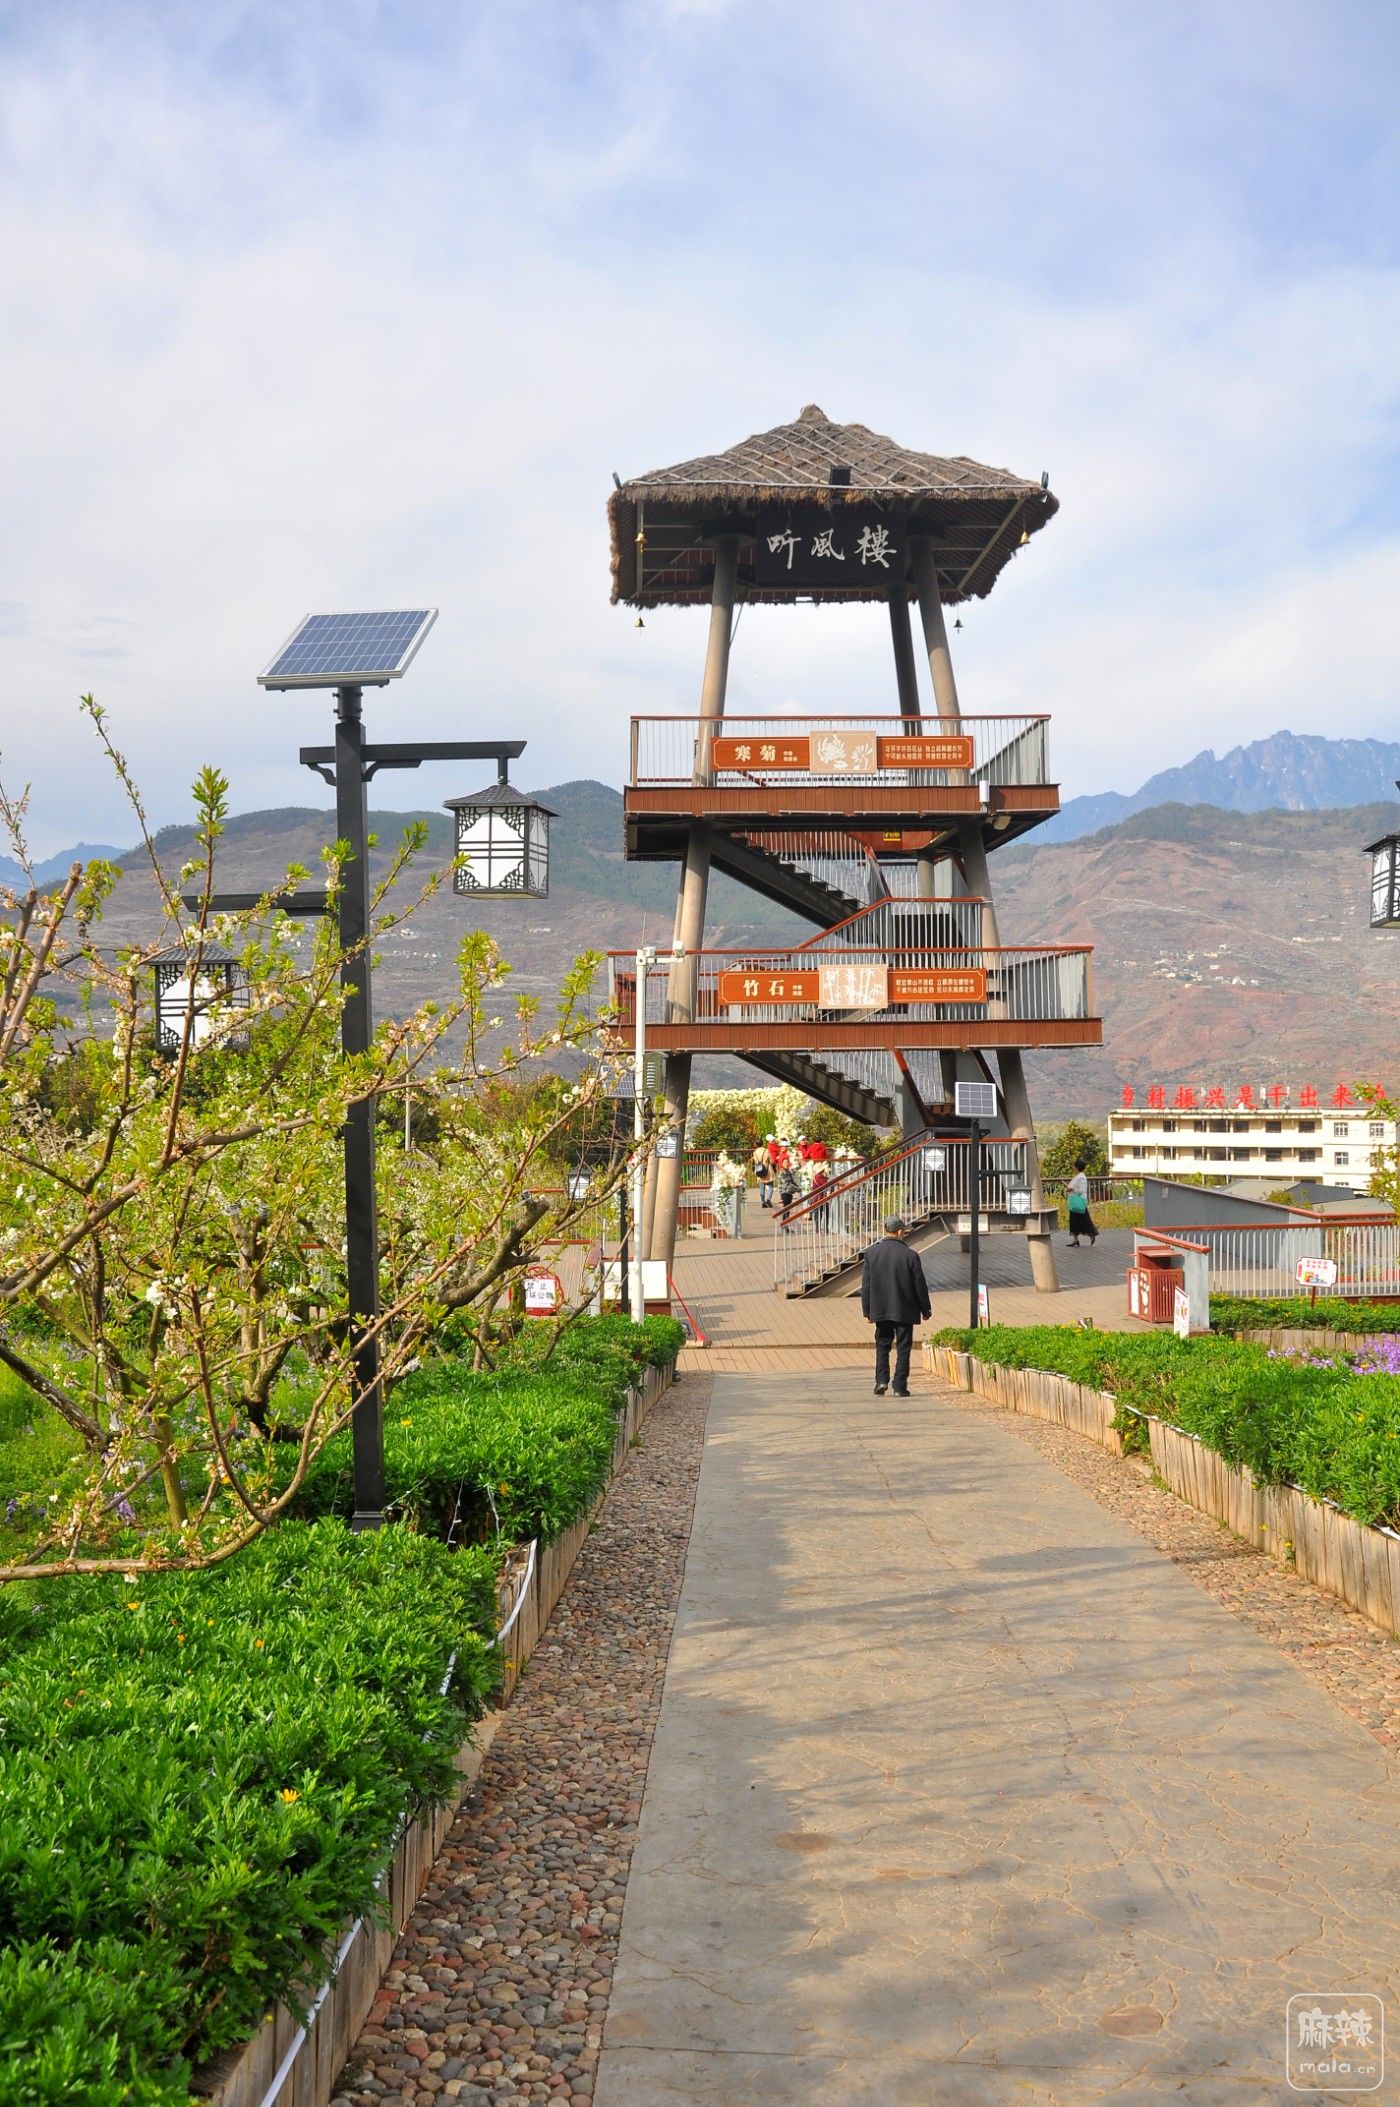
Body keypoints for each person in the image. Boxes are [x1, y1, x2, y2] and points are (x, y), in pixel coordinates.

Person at [860, 1214, 931, 1397]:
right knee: (903, 1348)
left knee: (882, 1345)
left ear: (886, 1230)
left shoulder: (872, 1253)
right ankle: (900, 1386)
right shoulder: (910, 1255)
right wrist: (925, 1309)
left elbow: (866, 1285)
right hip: (905, 1309)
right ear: (900, 1232)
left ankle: (881, 1381)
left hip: (881, 1309)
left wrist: (867, 1310)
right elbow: (919, 1285)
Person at [1067, 1160, 1099, 1248]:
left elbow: (1081, 1190)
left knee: (1084, 1220)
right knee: (1074, 1220)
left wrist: (1071, 1189)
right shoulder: (1078, 1176)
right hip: (1075, 1201)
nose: (1073, 1167)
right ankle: (1075, 1239)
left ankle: (1092, 1234)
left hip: (1078, 1201)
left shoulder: (1081, 1178)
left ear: (1077, 1167)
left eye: (1074, 1166)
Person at [752, 1139, 774, 1209]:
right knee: (771, 1186)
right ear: (762, 1143)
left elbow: (755, 1162)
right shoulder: (766, 1151)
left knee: (762, 1187)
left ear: (756, 1144)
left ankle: (763, 1202)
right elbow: (772, 1161)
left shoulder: (755, 1152)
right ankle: (768, 1200)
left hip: (759, 1170)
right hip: (767, 1170)